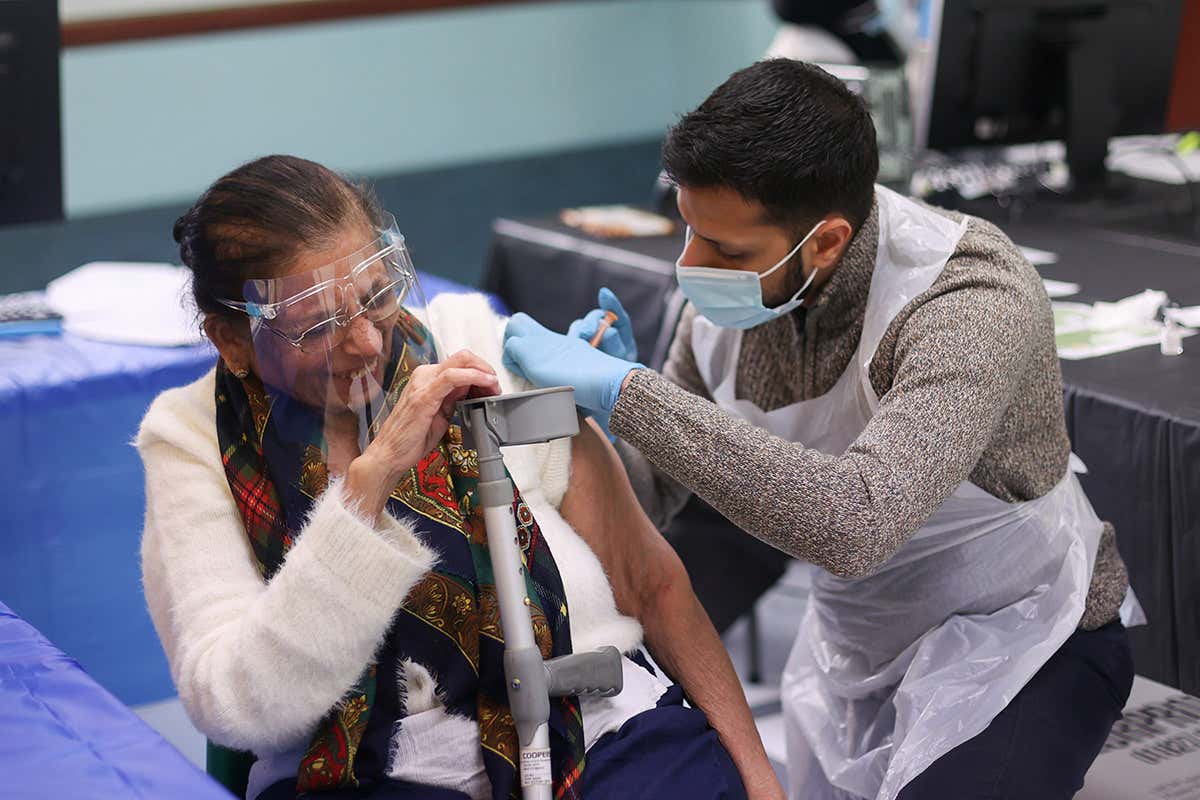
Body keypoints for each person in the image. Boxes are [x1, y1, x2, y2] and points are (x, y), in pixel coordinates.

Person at [501, 59, 1136, 800]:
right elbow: (654, 500)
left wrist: (630, 395)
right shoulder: (728, 300)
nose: (689, 269)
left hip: (1028, 638)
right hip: (855, 649)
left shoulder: (967, 296)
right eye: (688, 232)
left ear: (827, 243)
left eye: (728, 252)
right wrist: (601, 432)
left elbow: (856, 524)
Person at [138, 155, 782, 800]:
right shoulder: (195, 441)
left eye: (376, 296)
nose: (364, 342)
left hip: (596, 724)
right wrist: (371, 479)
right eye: (318, 327)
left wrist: (762, 783)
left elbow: (651, 582)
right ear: (233, 340)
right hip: (375, 768)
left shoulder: (473, 345)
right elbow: (236, 704)